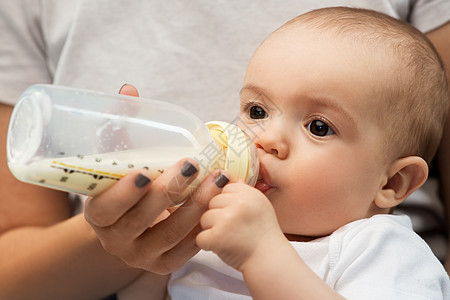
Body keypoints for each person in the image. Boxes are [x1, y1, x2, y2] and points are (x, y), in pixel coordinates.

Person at [0, 1, 449, 299]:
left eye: (318, 126)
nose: (266, 139)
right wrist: (150, 224)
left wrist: (260, 254)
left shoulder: (378, 250)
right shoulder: (207, 240)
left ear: (391, 183)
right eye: (256, 110)